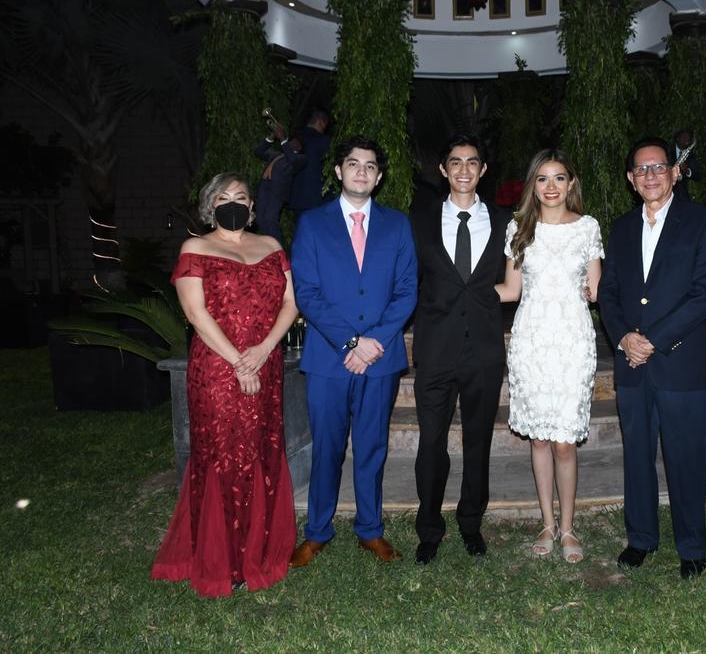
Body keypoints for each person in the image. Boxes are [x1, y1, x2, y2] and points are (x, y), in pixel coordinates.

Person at [151, 172, 298, 597]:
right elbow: (196, 314)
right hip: (218, 370)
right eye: (223, 197)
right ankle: (223, 558)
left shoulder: (271, 246)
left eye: (241, 197)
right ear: (209, 206)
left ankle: (260, 548)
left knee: (260, 450)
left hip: (265, 364)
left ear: (251, 207)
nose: (232, 203)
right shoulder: (195, 248)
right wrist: (239, 362)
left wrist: (264, 350)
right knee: (223, 455)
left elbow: (291, 303)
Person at [288, 136, 418, 566]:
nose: (361, 171)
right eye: (353, 164)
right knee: (326, 448)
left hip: (380, 358)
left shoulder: (397, 225)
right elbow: (307, 292)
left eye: (370, 166)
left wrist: (373, 342)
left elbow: (406, 291)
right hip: (329, 359)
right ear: (339, 171)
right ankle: (317, 532)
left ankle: (370, 530)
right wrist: (351, 342)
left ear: (378, 177)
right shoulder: (313, 223)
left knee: (371, 447)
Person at [598, 136, 706, 580]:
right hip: (632, 366)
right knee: (637, 456)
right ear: (631, 180)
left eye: (658, 167)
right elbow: (608, 292)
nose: (650, 175)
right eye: (641, 169)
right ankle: (641, 538)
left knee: (686, 458)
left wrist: (652, 339)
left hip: (683, 364)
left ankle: (691, 546)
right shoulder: (621, 228)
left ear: (673, 172)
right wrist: (623, 337)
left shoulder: (703, 222)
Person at [409, 133, 511, 565]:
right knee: (431, 443)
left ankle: (471, 523)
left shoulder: (507, 221)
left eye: (472, 162)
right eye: (455, 162)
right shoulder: (419, 220)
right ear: (443, 169)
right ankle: (429, 529)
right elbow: (405, 281)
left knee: (478, 442)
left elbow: (519, 280)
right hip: (435, 349)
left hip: (484, 350)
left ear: (483, 170)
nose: (464, 170)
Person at [496, 149, 603, 563]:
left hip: (573, 342)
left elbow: (596, 290)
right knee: (539, 438)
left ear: (571, 183)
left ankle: (569, 527)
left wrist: (592, 292)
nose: (551, 186)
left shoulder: (587, 227)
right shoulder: (519, 228)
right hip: (532, 342)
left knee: (564, 443)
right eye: (542, 178)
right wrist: (460, 291)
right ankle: (547, 522)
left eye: (559, 177)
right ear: (533, 185)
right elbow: (511, 291)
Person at [255, 124, 306, 243]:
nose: (290, 142)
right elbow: (258, 151)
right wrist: (271, 137)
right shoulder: (276, 154)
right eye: (290, 140)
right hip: (264, 188)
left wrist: (282, 138)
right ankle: (267, 246)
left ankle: (277, 248)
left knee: (270, 219)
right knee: (260, 219)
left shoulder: (301, 158)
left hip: (277, 192)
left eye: (294, 141)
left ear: (299, 147)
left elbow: (292, 159)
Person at [290, 110, 331, 213]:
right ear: (320, 122)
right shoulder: (323, 140)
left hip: (295, 195)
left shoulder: (295, 137)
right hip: (315, 197)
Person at [671, 129, 702, 203]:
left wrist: (687, 170)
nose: (687, 139)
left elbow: (698, 176)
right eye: (685, 136)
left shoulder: (691, 156)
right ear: (677, 138)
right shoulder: (667, 151)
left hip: (682, 196)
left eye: (689, 137)